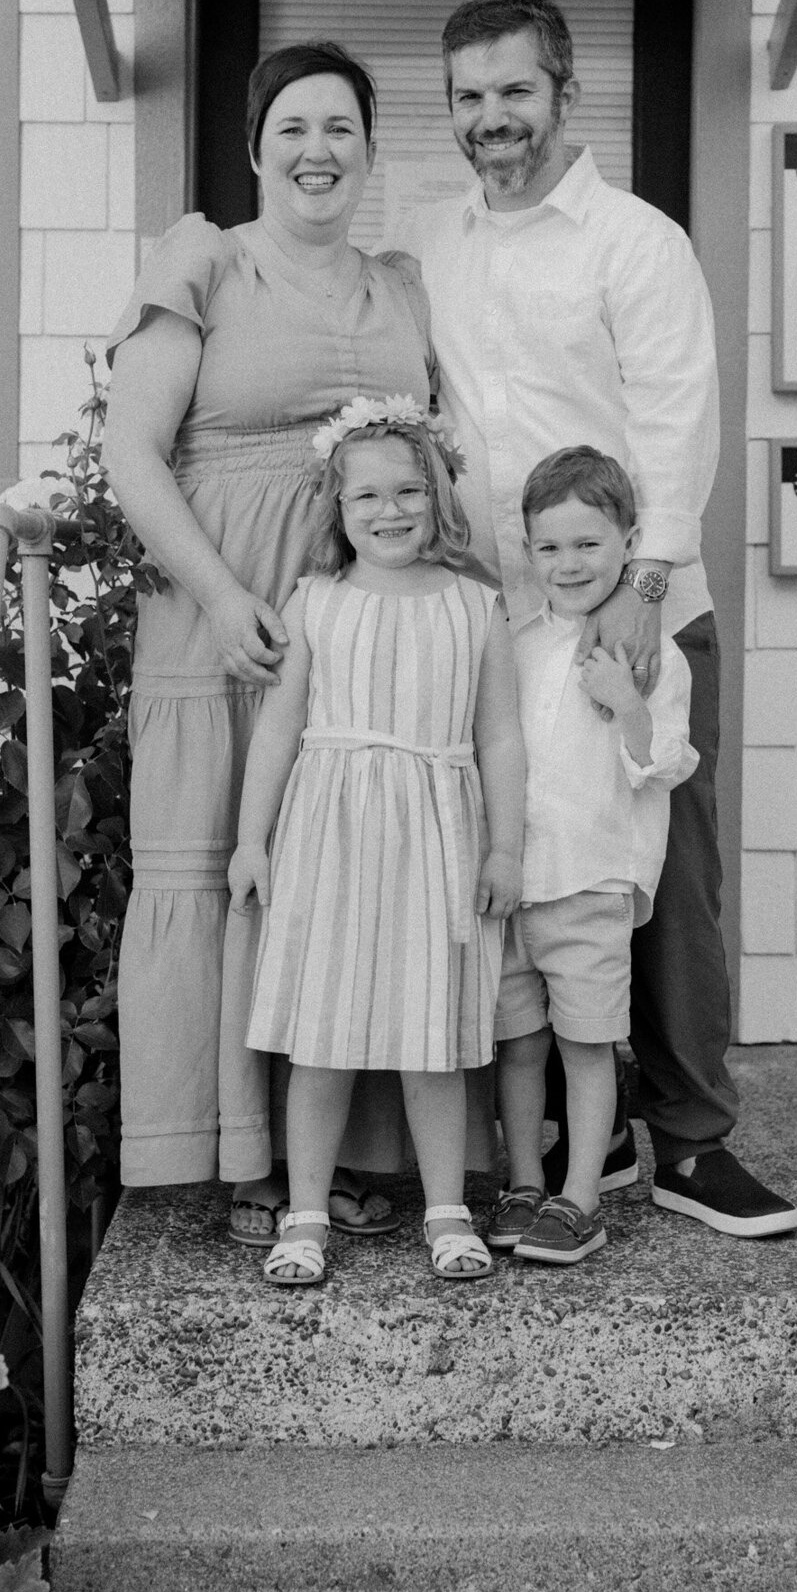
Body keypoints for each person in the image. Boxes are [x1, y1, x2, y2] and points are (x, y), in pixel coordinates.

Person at [404, 0, 797, 1238]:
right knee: (526, 871)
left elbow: (681, 417)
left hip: (638, 607)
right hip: (504, 624)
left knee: (665, 871)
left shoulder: (637, 241)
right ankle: (585, 1128)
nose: (491, 119)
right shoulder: (433, 244)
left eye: (514, 91)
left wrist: (641, 590)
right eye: (468, 97)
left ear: (566, 94)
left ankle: (689, 1140)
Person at [103, 40, 443, 1241]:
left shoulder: (401, 283)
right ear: (256, 149)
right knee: (222, 869)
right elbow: (131, 454)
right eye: (293, 127)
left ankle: (342, 1156)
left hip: (361, 628)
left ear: (368, 152)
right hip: (225, 620)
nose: (318, 150)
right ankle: (240, 1158)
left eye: (341, 128)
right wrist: (218, 594)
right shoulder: (207, 259)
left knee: (346, 874)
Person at [226, 401, 524, 1287]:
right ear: (337, 506)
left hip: (438, 831)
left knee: (429, 1035)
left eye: (407, 491)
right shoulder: (316, 602)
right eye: (367, 496)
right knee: (321, 1035)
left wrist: (504, 847)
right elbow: (279, 729)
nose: (389, 511)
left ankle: (447, 1210)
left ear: (436, 496)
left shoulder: (476, 605)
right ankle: (306, 1213)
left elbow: (501, 735)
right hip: (332, 833)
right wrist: (252, 838)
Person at [490, 448, 697, 1266]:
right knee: (517, 1045)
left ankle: (581, 1196)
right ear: (529, 549)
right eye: (550, 547)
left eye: (588, 544)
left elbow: (666, 763)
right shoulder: (516, 641)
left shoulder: (656, 655)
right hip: (513, 883)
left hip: (591, 880)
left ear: (628, 542)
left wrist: (628, 707)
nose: (568, 563)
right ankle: (520, 1181)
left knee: (584, 1045)